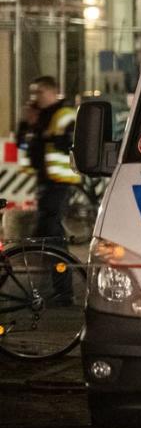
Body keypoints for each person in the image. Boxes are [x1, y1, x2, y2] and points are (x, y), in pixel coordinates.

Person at [22, 76, 80, 302]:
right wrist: (30, 124)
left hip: (59, 183)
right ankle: (51, 288)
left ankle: (63, 291)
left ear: (52, 92)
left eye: (39, 92)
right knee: (45, 236)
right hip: (46, 182)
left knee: (53, 238)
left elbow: (70, 143)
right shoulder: (40, 116)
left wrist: (48, 136)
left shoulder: (63, 114)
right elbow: (27, 145)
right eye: (33, 93)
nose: (35, 97)